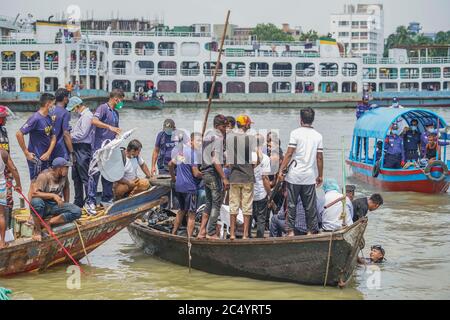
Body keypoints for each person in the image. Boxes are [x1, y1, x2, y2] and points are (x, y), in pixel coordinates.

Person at [278, 107, 323, 236]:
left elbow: (289, 153)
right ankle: (310, 231)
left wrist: (281, 170)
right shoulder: (318, 136)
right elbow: (319, 157)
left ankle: (290, 231)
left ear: (300, 120)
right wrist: (320, 175)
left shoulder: (295, 133)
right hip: (309, 176)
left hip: (294, 176)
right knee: (310, 206)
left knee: (291, 204)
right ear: (312, 120)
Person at [84, 89, 123, 215]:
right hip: (99, 149)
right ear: (116, 99)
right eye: (121, 100)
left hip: (110, 150)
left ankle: (107, 199)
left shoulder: (116, 113)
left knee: (108, 175)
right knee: (94, 175)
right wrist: (109, 127)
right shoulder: (103, 108)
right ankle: (90, 201)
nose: (121, 103)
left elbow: (114, 129)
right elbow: (94, 121)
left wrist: (118, 134)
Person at [29, 157, 81, 241]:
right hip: (44, 206)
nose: (67, 170)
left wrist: (66, 203)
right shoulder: (44, 176)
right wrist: (53, 196)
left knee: (77, 211)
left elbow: (66, 188)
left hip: (55, 206)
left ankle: (48, 222)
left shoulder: (64, 177)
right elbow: (35, 193)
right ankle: (37, 230)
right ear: (59, 168)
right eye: (66, 168)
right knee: (36, 202)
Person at [197, 114, 229, 239]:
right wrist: (224, 177)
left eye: (226, 127)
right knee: (216, 203)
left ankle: (202, 231)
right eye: (223, 126)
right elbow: (215, 160)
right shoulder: (217, 138)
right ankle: (211, 232)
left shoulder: (207, 137)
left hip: (205, 172)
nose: (224, 129)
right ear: (216, 126)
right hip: (212, 173)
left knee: (209, 202)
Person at [226, 114, 257, 240]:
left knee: (233, 206)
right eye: (249, 123)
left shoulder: (229, 137)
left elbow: (229, 160)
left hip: (234, 176)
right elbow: (257, 158)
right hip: (247, 177)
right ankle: (245, 235)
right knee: (247, 207)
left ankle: (232, 234)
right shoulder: (250, 138)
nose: (250, 125)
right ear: (246, 124)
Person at [169, 132, 203, 237]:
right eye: (198, 141)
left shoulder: (182, 153)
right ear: (191, 141)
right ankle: (189, 238)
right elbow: (196, 173)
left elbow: (170, 164)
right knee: (192, 214)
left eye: (201, 141)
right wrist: (205, 174)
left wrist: (174, 177)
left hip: (179, 187)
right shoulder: (193, 154)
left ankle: (174, 233)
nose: (200, 143)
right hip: (189, 188)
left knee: (181, 210)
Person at [16, 93, 57, 180]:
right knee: (35, 186)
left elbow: (53, 137)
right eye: (53, 104)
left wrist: (48, 153)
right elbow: (19, 134)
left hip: (46, 158)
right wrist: (26, 153)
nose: (54, 106)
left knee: (45, 185)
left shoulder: (49, 118)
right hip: (36, 159)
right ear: (48, 104)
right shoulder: (35, 118)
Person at [66, 96, 94, 207]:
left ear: (78, 106)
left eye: (73, 109)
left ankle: (89, 200)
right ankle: (78, 201)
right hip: (76, 148)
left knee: (84, 176)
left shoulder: (87, 116)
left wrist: (69, 136)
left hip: (83, 148)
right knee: (75, 176)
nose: (73, 111)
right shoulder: (82, 116)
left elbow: (82, 134)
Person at [0, 148, 22, 248]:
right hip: (1, 187)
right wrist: (18, 184)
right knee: (1, 215)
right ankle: (2, 242)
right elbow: (13, 169)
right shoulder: (3, 152)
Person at [251, 134, 271, 238]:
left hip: (249, 192)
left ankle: (247, 236)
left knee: (248, 216)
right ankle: (259, 237)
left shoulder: (248, 156)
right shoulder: (266, 159)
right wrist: (269, 194)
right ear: (262, 144)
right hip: (261, 193)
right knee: (261, 219)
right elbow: (265, 178)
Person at [50, 88, 74, 162]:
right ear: (65, 98)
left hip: (49, 149)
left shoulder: (49, 111)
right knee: (62, 173)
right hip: (61, 150)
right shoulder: (65, 113)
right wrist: (72, 152)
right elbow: (66, 134)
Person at [0, 106, 14, 227]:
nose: (6, 120)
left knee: (8, 200)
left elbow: (8, 152)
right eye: (4, 118)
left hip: (7, 171)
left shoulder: (4, 131)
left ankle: (8, 229)